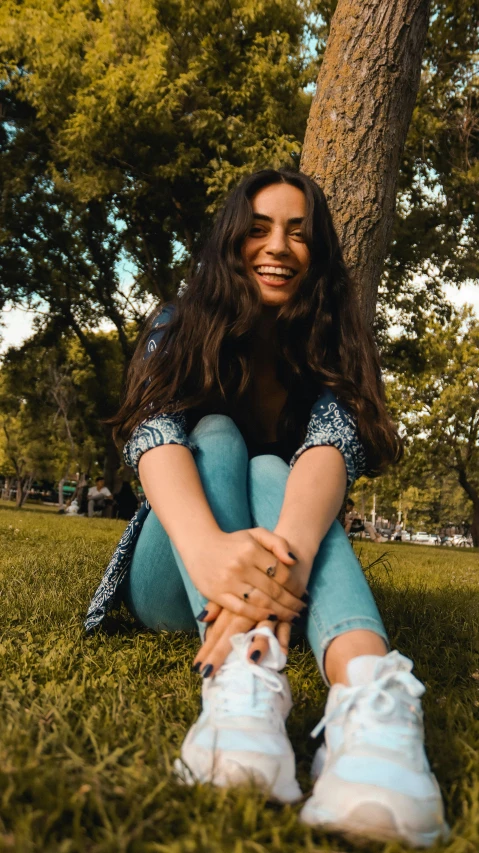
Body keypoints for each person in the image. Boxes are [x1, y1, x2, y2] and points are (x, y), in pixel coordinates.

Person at [85, 169, 448, 847]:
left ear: (320, 253)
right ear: (230, 240)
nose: (277, 245)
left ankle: (369, 696)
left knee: (272, 464)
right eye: (257, 228)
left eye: (298, 232)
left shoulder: (334, 342)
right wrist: (209, 552)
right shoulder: (178, 322)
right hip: (174, 573)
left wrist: (278, 581)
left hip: (287, 561)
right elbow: (152, 434)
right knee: (217, 434)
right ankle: (240, 670)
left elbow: (329, 455)